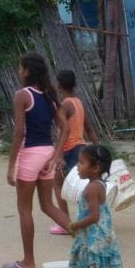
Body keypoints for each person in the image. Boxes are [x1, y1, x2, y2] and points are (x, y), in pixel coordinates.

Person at [3, 52, 70, 268]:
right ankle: (88, 239)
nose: (18, 71)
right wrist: (57, 155)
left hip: (30, 155)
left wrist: (11, 164)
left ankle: (28, 262)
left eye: (20, 68)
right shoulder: (49, 95)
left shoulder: (22, 95)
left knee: (24, 210)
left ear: (27, 71)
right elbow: (65, 128)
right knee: (48, 205)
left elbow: (19, 131)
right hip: (47, 153)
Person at [63, 145, 135, 268]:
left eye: (81, 163)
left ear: (95, 168)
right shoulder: (99, 185)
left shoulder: (91, 189)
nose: (77, 167)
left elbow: (94, 216)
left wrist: (74, 225)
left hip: (91, 242)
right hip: (95, 239)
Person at [49, 69, 99, 236]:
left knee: (58, 184)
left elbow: (64, 131)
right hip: (81, 148)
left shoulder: (65, 105)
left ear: (59, 85)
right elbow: (89, 128)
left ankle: (65, 223)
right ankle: (87, 218)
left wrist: (59, 154)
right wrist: (99, 149)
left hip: (69, 149)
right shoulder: (78, 102)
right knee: (82, 186)